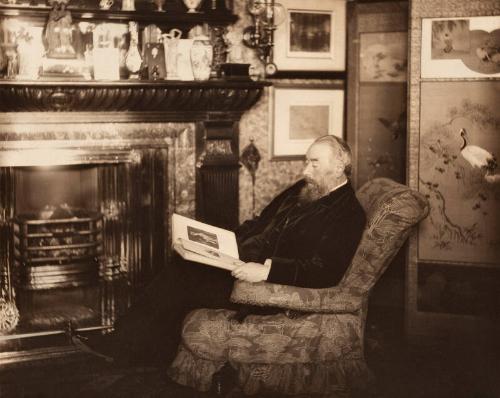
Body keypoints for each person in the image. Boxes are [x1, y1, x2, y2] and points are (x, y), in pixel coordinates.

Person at [81, 134, 366, 367]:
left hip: (268, 288)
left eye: (314, 164)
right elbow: (259, 222)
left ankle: (124, 348)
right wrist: (219, 243)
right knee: (183, 260)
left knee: (182, 277)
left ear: (340, 165)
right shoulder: (304, 189)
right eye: (307, 162)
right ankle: (137, 347)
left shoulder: (348, 214)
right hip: (240, 260)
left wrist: (266, 270)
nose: (305, 171)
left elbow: (323, 271)